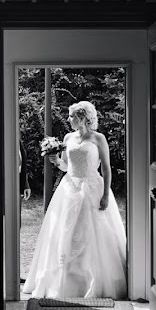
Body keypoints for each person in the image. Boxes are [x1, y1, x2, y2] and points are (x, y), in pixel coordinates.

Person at [22, 101, 127, 299]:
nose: (69, 119)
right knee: (64, 232)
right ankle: (64, 281)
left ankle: (92, 281)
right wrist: (56, 161)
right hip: (69, 188)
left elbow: (106, 168)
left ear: (82, 118)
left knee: (92, 234)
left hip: (92, 187)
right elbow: (65, 166)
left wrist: (105, 194)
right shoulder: (68, 137)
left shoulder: (98, 139)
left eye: (71, 116)